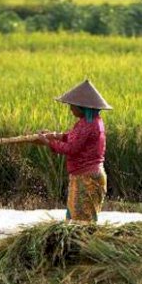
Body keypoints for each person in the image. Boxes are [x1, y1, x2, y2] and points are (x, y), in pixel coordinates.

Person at [35, 80, 112, 222]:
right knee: (74, 219)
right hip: (85, 176)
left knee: (81, 222)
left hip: (87, 178)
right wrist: (56, 136)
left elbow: (72, 148)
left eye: (72, 105)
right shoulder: (91, 121)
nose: (70, 109)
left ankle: (84, 244)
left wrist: (49, 143)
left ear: (82, 107)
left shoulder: (88, 125)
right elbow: (74, 138)